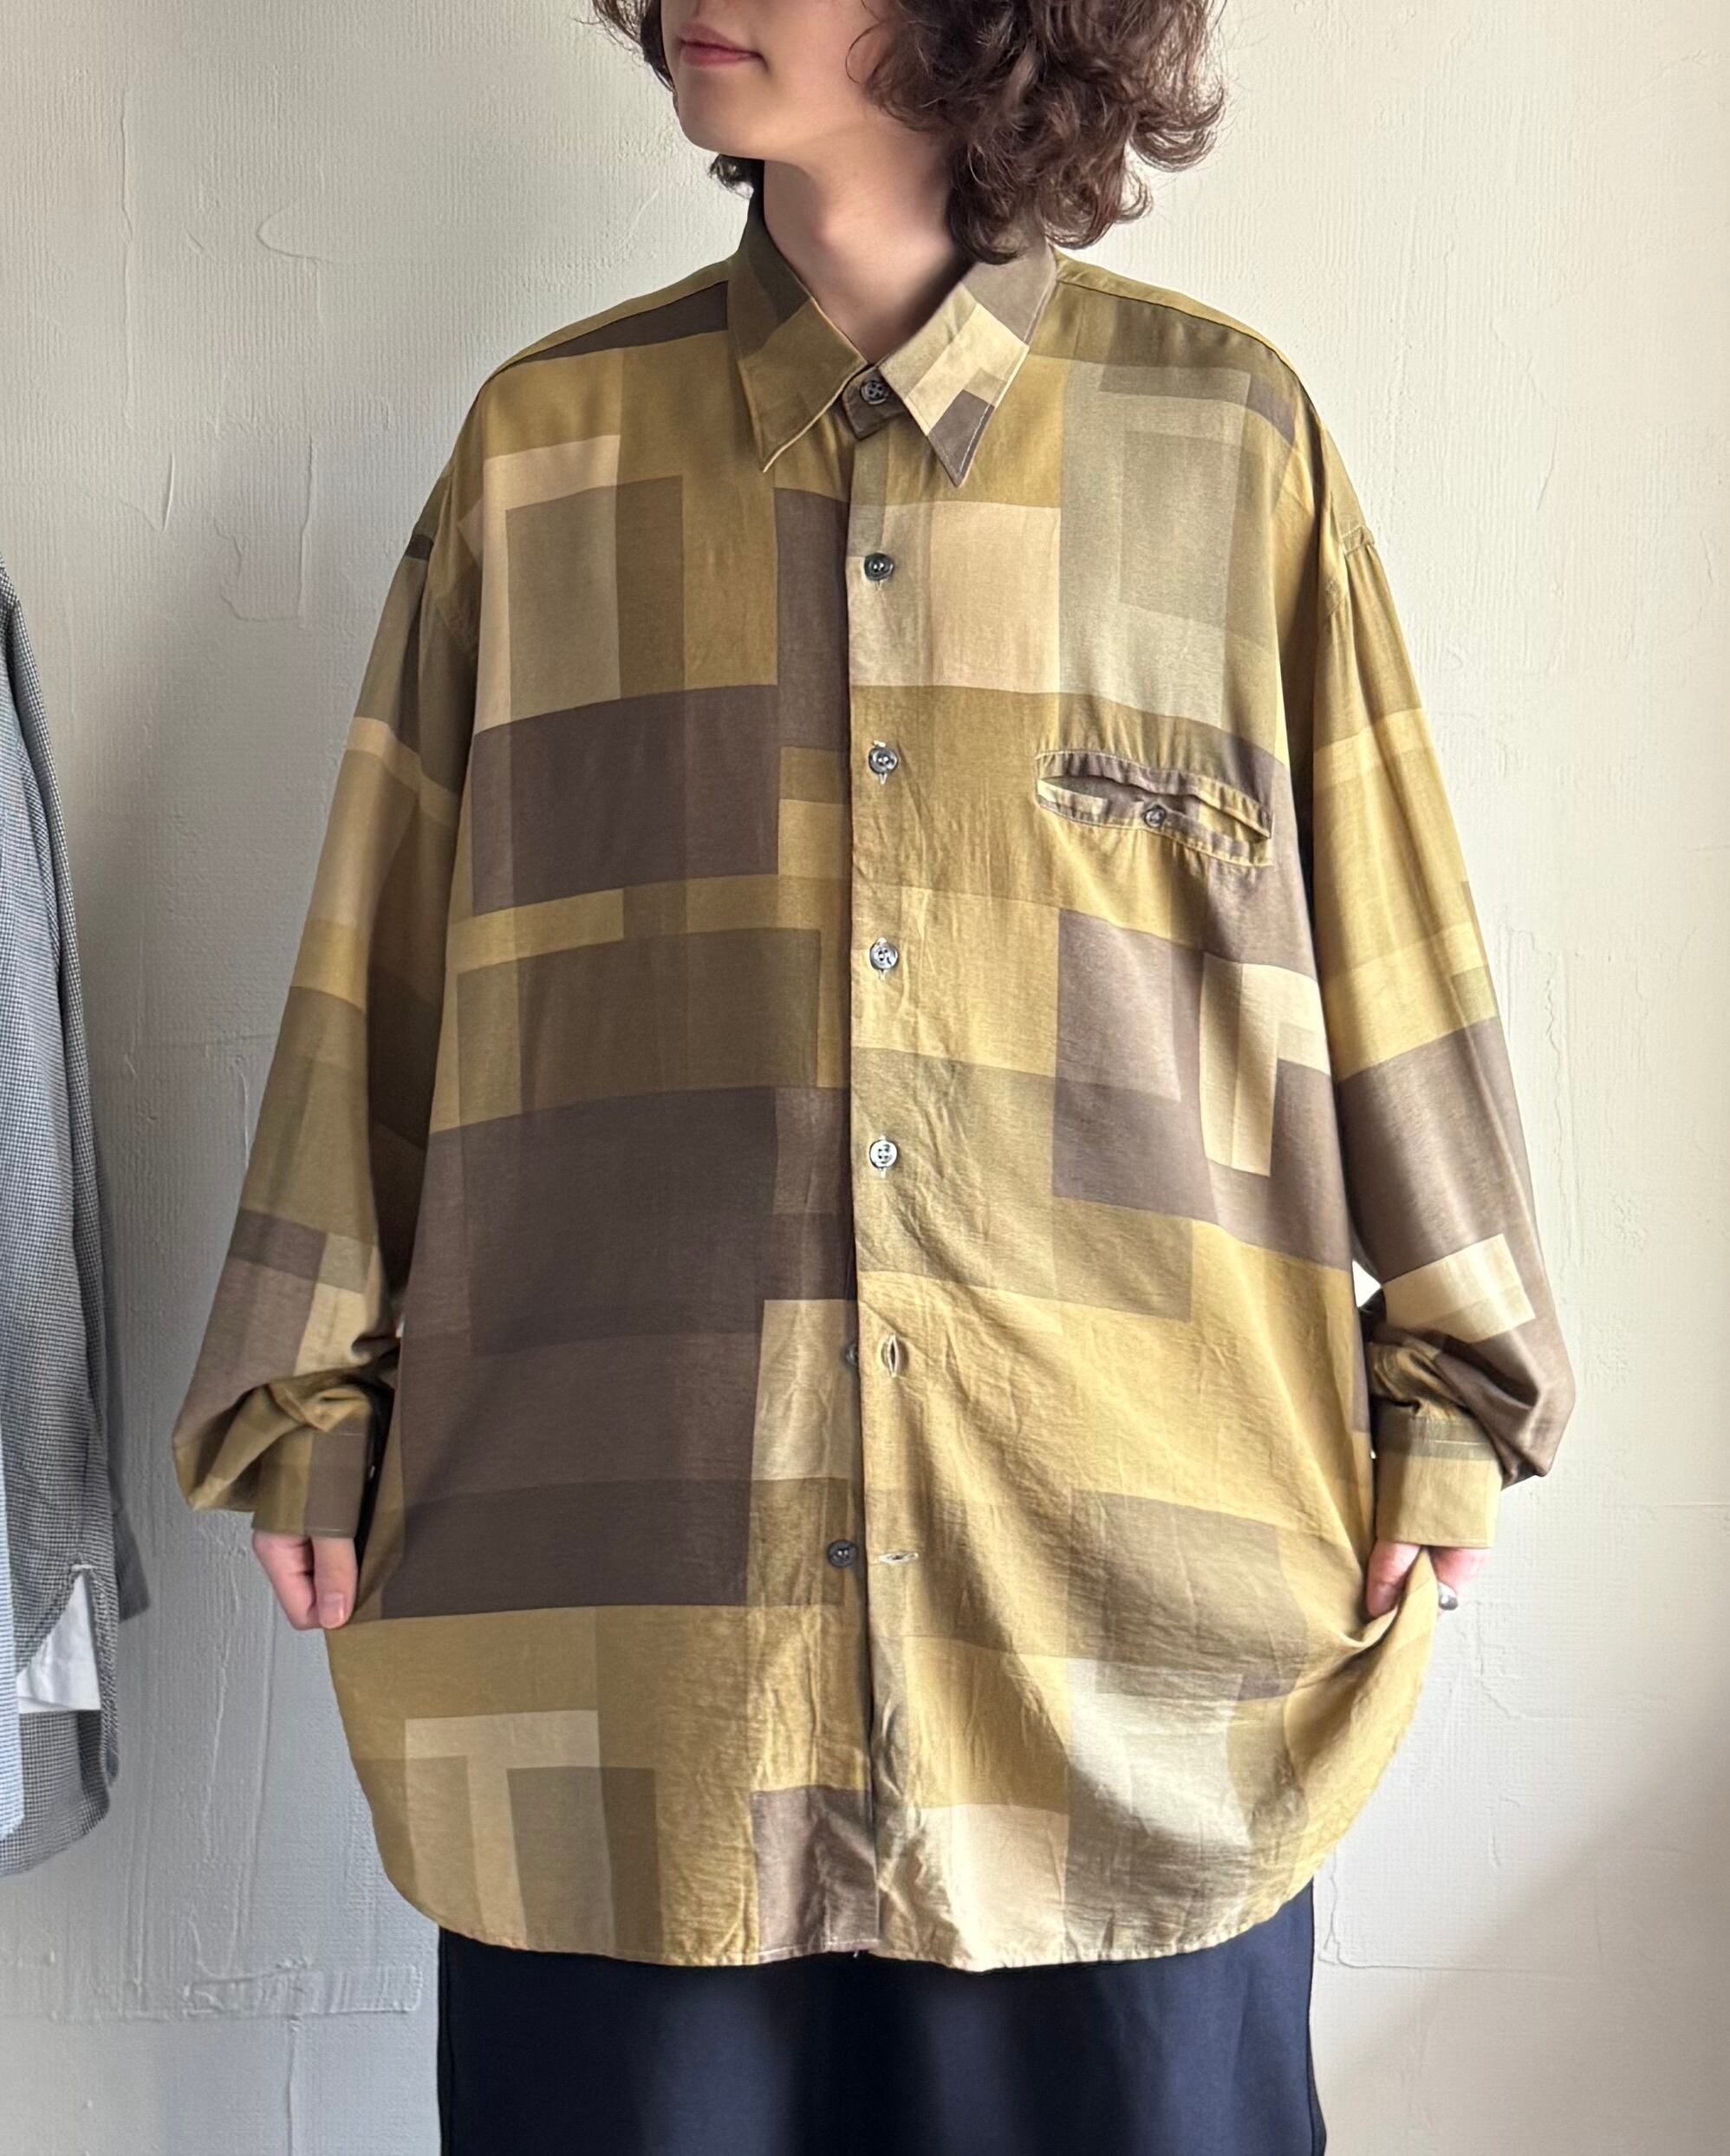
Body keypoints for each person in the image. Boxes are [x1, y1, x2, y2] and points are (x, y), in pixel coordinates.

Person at [170, 1, 1577, 2149]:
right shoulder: (545, 452)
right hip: (632, 1635)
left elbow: (1387, 948)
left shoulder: (1223, 447)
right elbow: (389, 951)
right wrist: (306, 1392)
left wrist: (1459, 1388)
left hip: (1120, 1657)